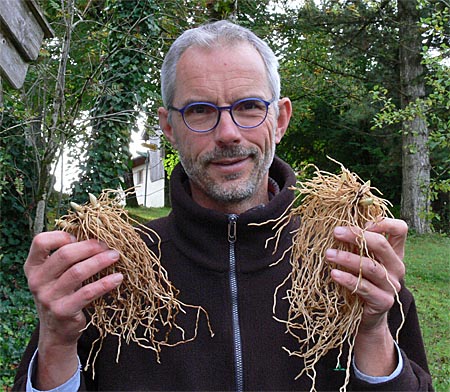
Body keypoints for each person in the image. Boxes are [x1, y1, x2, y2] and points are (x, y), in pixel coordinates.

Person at [13, 20, 432, 391]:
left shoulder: (354, 262)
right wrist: (56, 339)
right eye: (200, 111)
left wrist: (373, 331)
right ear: (169, 128)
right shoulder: (106, 271)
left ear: (280, 120)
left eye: (249, 106)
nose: (228, 133)